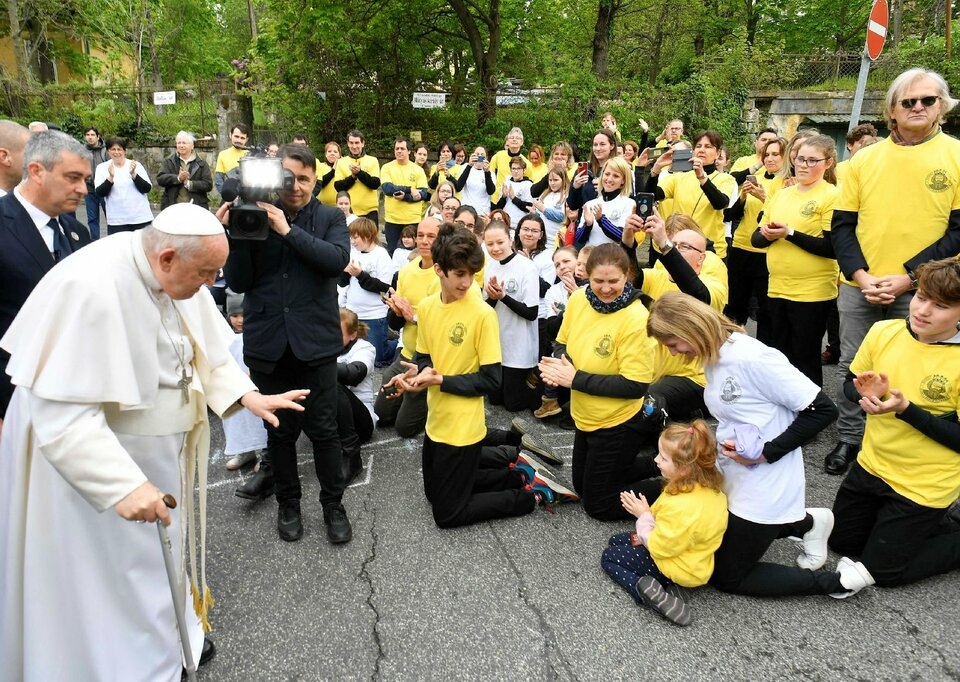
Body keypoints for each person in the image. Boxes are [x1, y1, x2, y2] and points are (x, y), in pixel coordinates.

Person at [0, 203, 307, 681]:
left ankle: (175, 638)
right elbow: (60, 411)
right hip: (105, 471)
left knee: (162, 554)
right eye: (205, 274)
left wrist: (246, 395)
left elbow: (200, 347)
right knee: (118, 573)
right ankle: (130, 664)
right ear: (166, 258)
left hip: (161, 456)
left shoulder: (178, 272)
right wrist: (120, 485)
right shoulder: (90, 287)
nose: (211, 285)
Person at [647, 292, 874, 599]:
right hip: (736, 469)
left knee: (727, 575)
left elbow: (822, 410)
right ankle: (807, 523)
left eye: (674, 344)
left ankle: (839, 582)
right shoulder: (713, 356)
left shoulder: (753, 358)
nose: (674, 353)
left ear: (691, 328)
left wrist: (766, 452)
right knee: (714, 541)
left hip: (767, 478)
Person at [383, 224, 574, 528]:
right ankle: (518, 470)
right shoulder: (429, 308)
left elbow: (490, 381)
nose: (467, 282)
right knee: (435, 494)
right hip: (437, 419)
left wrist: (440, 380)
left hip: (464, 428)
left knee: (447, 514)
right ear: (440, 270)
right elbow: (425, 356)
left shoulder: (482, 314)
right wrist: (417, 373)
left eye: (471, 274)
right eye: (459, 274)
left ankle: (533, 495)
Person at [825, 68, 960, 477]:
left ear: (943, 107)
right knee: (855, 366)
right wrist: (862, 276)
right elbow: (842, 224)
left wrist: (909, 278)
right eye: (908, 101)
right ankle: (851, 438)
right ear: (892, 111)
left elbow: (958, 230)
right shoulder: (863, 160)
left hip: (926, 290)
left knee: (913, 370)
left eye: (928, 100)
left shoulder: (956, 156)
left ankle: (904, 447)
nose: (918, 107)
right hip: (860, 286)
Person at [221, 143, 353, 544]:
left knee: (324, 432)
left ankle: (334, 505)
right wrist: (237, 234)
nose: (295, 187)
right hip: (269, 345)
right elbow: (239, 281)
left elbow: (334, 261)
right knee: (278, 435)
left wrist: (287, 230)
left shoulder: (330, 217)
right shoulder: (253, 215)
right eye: (288, 178)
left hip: (315, 345)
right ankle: (288, 505)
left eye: (304, 179)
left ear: (316, 180)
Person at [539, 245, 708, 521]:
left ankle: (676, 485)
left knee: (599, 506)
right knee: (583, 488)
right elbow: (561, 342)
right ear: (587, 276)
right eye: (598, 281)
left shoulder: (636, 318)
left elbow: (635, 386)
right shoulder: (580, 299)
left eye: (614, 281)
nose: (605, 289)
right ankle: (660, 466)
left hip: (619, 422)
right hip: (586, 416)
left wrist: (574, 379)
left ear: (628, 276)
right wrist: (560, 364)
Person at [829, 258, 960, 588]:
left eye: (941, 305)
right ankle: (924, 526)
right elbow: (850, 380)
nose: (923, 310)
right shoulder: (884, 330)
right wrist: (862, 394)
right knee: (841, 544)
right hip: (873, 465)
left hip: (923, 483)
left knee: (882, 573)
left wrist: (905, 409)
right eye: (921, 296)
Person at [0, 131, 92, 427]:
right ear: (37, 171)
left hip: (75, 395)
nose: (83, 190)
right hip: (14, 399)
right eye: (73, 178)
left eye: (85, 180)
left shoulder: (76, 232)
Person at [601, 420, 727, 626]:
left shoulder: (682, 507)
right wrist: (648, 513)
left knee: (610, 556)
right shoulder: (709, 490)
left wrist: (643, 516)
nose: (657, 460)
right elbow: (670, 526)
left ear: (684, 468)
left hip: (674, 563)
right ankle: (678, 588)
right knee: (617, 540)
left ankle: (652, 594)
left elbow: (659, 547)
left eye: (663, 458)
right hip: (695, 561)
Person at [751, 134, 838, 387]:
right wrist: (767, 234)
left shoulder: (832, 196)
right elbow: (756, 240)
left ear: (828, 163)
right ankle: (783, 407)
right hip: (777, 287)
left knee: (805, 355)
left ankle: (812, 410)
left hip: (812, 292)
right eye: (800, 158)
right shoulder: (781, 195)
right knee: (778, 354)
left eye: (812, 161)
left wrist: (789, 234)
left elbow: (832, 247)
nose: (803, 165)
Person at [375, 216, 441, 437]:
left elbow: (442, 324)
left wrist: (412, 315)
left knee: (405, 428)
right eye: (420, 235)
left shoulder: (446, 274)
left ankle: (434, 398)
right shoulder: (406, 271)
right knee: (382, 415)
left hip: (431, 357)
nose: (424, 241)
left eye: (431, 236)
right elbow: (396, 323)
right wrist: (396, 312)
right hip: (408, 351)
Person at [723, 136, 787, 340]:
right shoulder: (755, 176)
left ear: (786, 156)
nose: (770, 158)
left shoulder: (787, 183)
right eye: (766, 154)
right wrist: (743, 196)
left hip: (768, 251)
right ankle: (731, 344)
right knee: (734, 304)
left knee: (765, 308)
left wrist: (763, 197)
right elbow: (730, 215)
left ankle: (765, 349)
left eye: (775, 154)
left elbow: (783, 215)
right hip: (742, 246)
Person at [643, 130, 737, 259]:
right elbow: (652, 194)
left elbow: (720, 203)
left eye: (708, 146)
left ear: (718, 153)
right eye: (698, 146)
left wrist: (702, 178)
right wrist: (656, 170)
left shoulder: (726, 179)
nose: (702, 150)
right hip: (678, 248)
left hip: (709, 251)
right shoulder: (679, 177)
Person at [483, 219, 541, 412]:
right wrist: (493, 298)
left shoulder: (527, 267)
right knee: (494, 400)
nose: (495, 248)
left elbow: (531, 313)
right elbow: (487, 308)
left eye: (500, 242)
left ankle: (541, 387)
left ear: (510, 239)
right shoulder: (490, 266)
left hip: (519, 347)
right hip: (498, 345)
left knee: (513, 405)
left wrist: (503, 296)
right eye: (490, 244)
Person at [621, 211, 728, 312]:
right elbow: (631, 277)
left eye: (684, 246)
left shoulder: (713, 282)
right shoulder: (658, 275)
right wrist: (627, 242)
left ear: (701, 258)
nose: (675, 251)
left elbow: (698, 295)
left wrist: (665, 245)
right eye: (673, 245)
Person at [340, 217, 397, 367]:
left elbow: (384, 287)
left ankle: (398, 344)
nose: (352, 241)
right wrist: (344, 273)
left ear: (367, 235)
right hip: (353, 311)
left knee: (378, 358)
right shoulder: (353, 253)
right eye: (351, 237)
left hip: (374, 313)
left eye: (355, 237)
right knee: (351, 354)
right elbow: (343, 283)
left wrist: (360, 275)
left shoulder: (381, 255)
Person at [222, 293, 268, 471]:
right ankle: (244, 451)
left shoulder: (259, 332)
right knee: (236, 419)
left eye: (243, 315)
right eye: (234, 316)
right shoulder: (224, 336)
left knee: (259, 420)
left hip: (256, 385)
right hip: (233, 386)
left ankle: (265, 453)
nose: (239, 320)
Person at [336, 308, 377, 484]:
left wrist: (317, 364)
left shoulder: (365, 347)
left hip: (362, 422)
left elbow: (355, 373)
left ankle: (352, 458)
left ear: (352, 335)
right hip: (336, 420)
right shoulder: (323, 346)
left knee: (328, 382)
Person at [571, 156, 634, 248]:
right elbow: (579, 239)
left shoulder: (629, 203)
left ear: (623, 180)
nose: (609, 179)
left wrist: (601, 220)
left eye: (616, 176)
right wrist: (588, 225)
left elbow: (621, 236)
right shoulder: (590, 204)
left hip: (613, 259)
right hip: (591, 258)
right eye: (607, 174)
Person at [94, 136, 153, 234]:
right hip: (117, 221)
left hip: (141, 218)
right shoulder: (102, 168)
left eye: (119, 149)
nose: (116, 152)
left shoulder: (135, 165)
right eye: (113, 149)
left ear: (124, 151)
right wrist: (110, 177)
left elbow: (147, 188)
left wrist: (134, 174)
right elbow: (100, 193)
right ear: (108, 151)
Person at [381, 137, 430, 254]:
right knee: (393, 252)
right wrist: (409, 189)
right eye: (396, 148)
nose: (399, 151)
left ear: (409, 151)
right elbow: (387, 188)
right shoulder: (387, 167)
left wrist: (405, 197)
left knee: (412, 255)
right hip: (392, 220)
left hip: (412, 220)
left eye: (402, 148)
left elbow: (423, 194)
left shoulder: (418, 170)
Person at [157, 130, 213, 210]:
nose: (181, 145)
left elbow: (208, 185)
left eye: (184, 143)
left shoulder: (201, 163)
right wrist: (178, 178)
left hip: (196, 208)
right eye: (178, 143)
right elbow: (160, 179)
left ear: (192, 146)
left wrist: (190, 184)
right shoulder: (169, 161)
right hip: (172, 207)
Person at [334, 129, 381, 223]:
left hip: (369, 212)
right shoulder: (341, 162)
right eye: (351, 143)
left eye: (357, 143)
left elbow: (375, 184)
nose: (354, 146)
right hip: (348, 212)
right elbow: (338, 187)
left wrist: (360, 173)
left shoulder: (373, 160)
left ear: (363, 143)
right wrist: (352, 177)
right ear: (347, 143)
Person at [531, 164, 569, 248]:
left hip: (556, 241)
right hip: (542, 239)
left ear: (563, 180)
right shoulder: (545, 194)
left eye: (556, 180)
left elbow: (563, 217)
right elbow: (539, 216)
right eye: (550, 180)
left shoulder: (567, 195)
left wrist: (544, 210)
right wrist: (534, 212)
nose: (552, 183)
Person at [81, 126, 108, 238]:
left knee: (111, 218)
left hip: (105, 190)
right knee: (92, 220)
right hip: (89, 190)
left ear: (98, 137)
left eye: (92, 135)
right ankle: (95, 243)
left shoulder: (105, 151)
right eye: (88, 135)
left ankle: (115, 241)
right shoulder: (81, 151)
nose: (90, 137)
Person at [454, 145, 495, 214]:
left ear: (486, 158)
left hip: (483, 212)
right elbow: (458, 187)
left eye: (482, 155)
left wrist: (487, 172)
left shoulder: (491, 173)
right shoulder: (465, 167)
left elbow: (491, 191)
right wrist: (470, 165)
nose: (479, 157)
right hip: (466, 211)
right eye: (477, 154)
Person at [214, 123, 249, 195]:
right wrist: (227, 196)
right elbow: (219, 180)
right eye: (236, 136)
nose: (239, 140)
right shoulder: (223, 154)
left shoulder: (252, 155)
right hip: (230, 197)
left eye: (242, 138)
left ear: (247, 139)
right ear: (230, 135)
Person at [317, 141, 341, 206]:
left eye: (335, 152)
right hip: (323, 205)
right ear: (325, 154)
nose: (332, 153)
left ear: (339, 155)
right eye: (329, 151)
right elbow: (320, 184)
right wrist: (333, 170)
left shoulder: (344, 167)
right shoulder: (320, 166)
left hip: (340, 206)